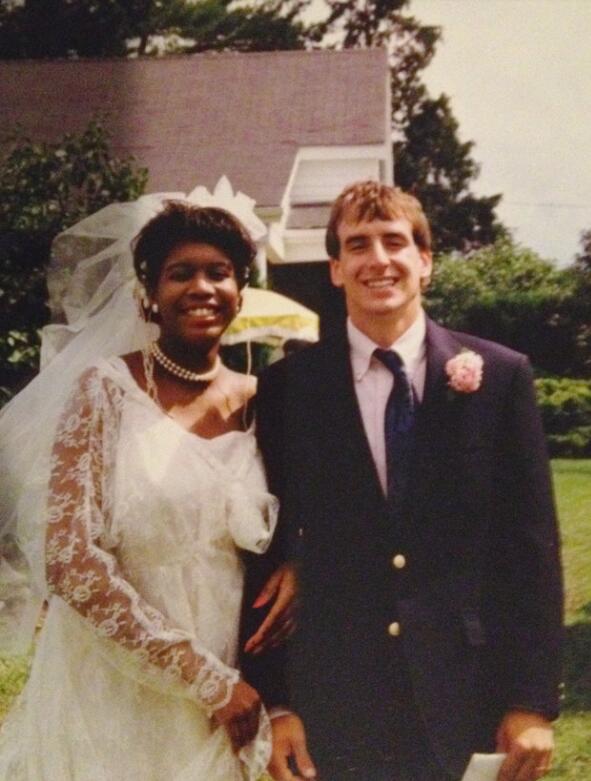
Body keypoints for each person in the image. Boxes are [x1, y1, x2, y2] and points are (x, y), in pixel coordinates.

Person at [243, 181, 563, 781]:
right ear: (335, 269)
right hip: (336, 702)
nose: (378, 259)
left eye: (394, 241)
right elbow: (265, 555)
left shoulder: (500, 377)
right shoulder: (289, 388)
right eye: (357, 245)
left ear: (426, 261)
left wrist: (531, 701)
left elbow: (531, 554)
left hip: (467, 694)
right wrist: (278, 705)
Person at [0, 195, 294, 780]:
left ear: (240, 292)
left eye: (219, 273)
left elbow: (305, 517)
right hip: (114, 691)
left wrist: (297, 565)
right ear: (149, 296)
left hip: (225, 693)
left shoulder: (263, 402)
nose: (202, 287)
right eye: (180, 273)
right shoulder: (106, 390)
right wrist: (205, 680)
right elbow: (70, 562)